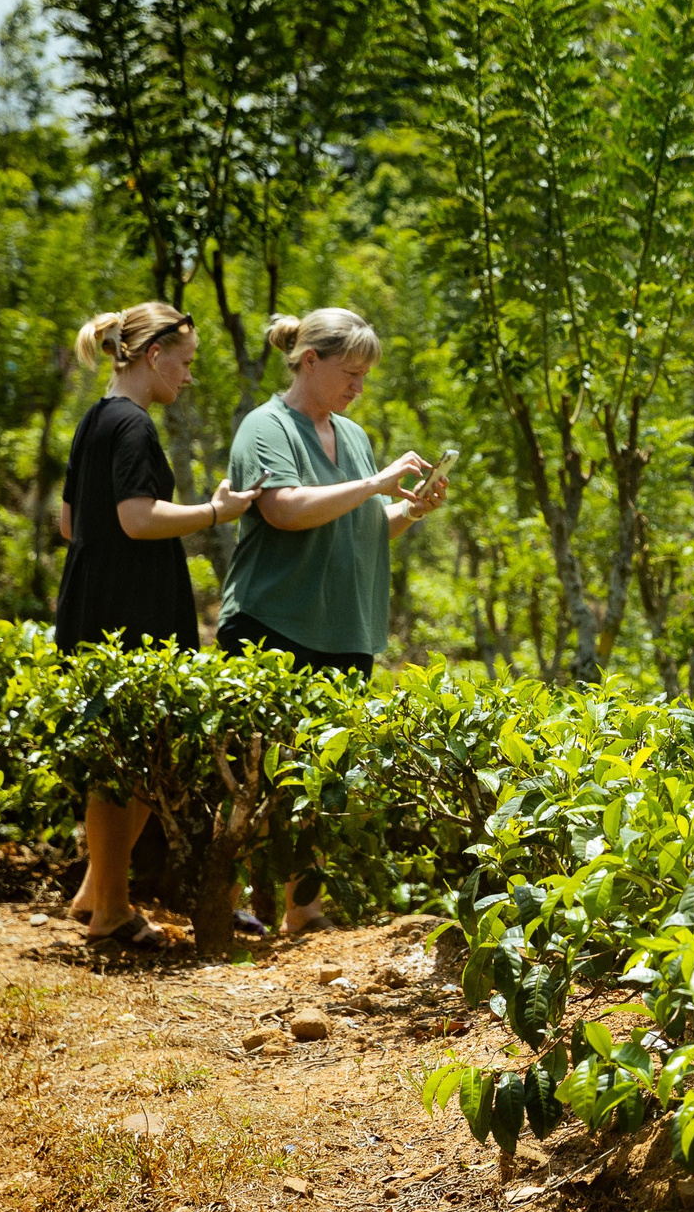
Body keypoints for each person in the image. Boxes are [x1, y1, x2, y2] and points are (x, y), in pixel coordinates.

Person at [220, 307, 447, 932]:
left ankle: (304, 910)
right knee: (250, 775)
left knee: (320, 779)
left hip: (344, 628)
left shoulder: (352, 435)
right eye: (350, 372)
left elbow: (362, 525)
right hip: (271, 624)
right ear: (309, 361)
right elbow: (286, 510)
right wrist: (375, 484)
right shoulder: (265, 428)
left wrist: (411, 510)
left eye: (365, 376)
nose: (358, 387)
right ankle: (222, 901)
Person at [55, 302, 258, 944]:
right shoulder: (134, 426)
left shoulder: (94, 420)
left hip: (92, 602)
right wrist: (215, 512)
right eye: (187, 362)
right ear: (154, 355)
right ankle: (112, 908)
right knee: (131, 764)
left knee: (120, 760)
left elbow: (68, 524)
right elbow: (137, 518)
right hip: (130, 609)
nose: (189, 377)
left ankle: (96, 890)